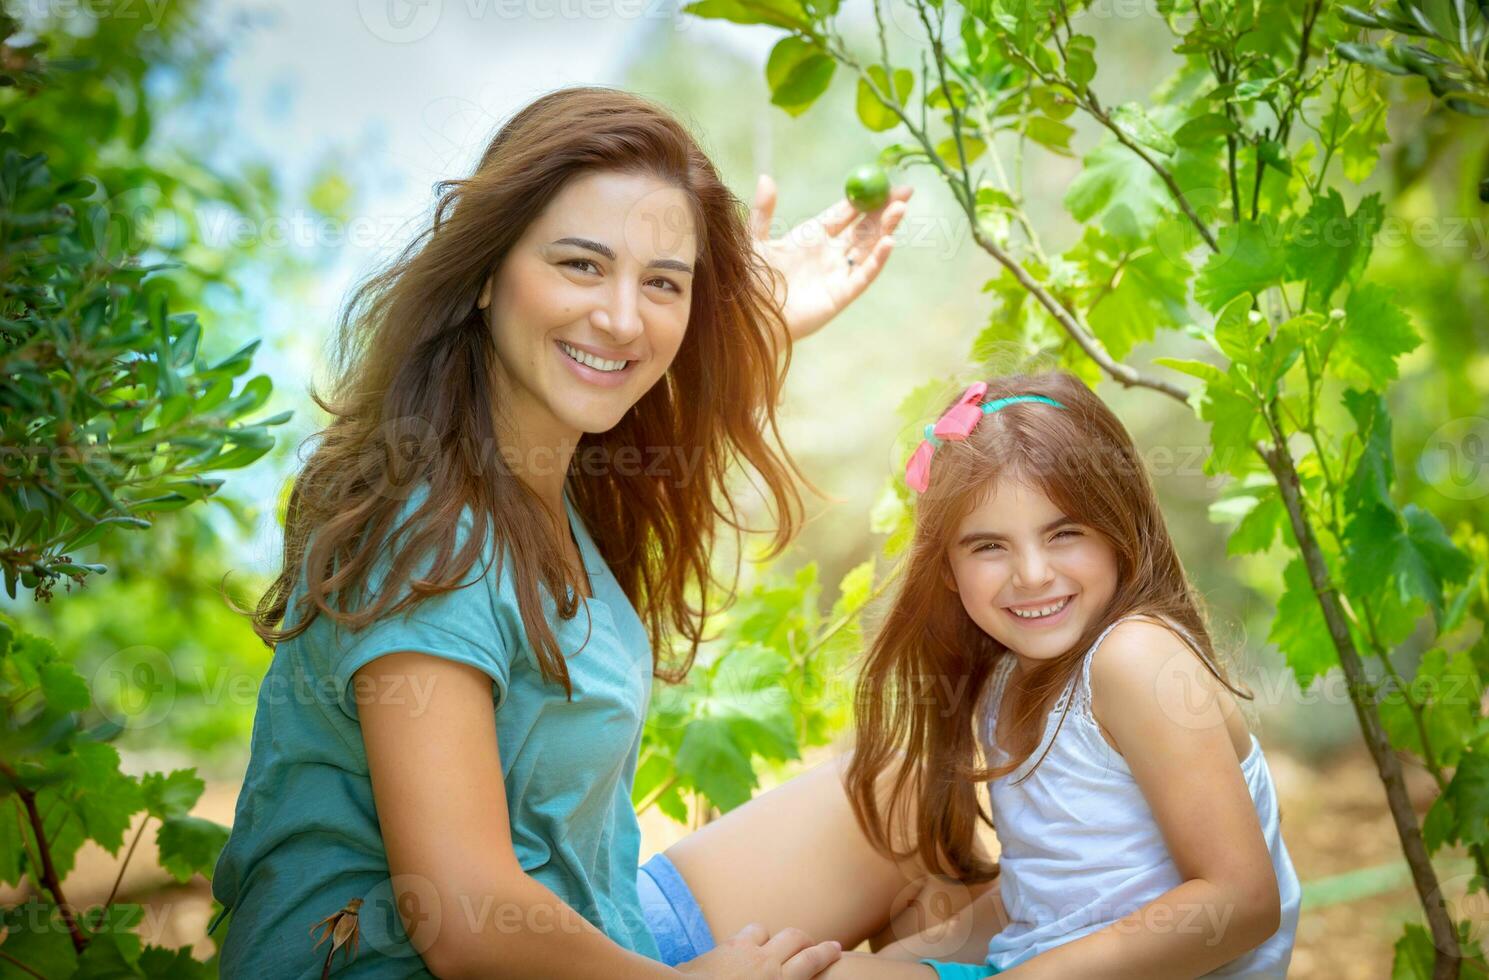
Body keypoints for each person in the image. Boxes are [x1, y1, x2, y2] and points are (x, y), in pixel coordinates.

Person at [207, 84, 925, 978]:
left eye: (662, 283)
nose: (624, 317)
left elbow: (648, 391)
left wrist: (739, 323)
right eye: (581, 266)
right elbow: (466, 918)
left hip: (590, 926)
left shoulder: (548, 478)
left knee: (909, 807)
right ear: (483, 272)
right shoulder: (428, 533)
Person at [822, 370, 1302, 979]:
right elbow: (1049, 902)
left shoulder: (1136, 659)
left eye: (1064, 533)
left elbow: (1242, 903)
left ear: (1119, 531)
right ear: (946, 567)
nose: (1031, 574)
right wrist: (899, 962)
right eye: (989, 546)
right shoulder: (1004, 681)